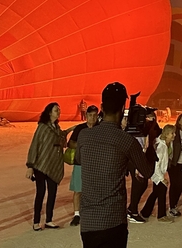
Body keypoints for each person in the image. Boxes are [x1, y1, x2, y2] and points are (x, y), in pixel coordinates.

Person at [75, 82, 153, 248]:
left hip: (89, 222)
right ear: (123, 107)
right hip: (113, 221)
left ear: (102, 106)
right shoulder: (126, 141)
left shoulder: (84, 136)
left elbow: (80, 160)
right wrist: (151, 141)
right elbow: (147, 171)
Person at [26, 102, 71, 231]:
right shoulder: (42, 127)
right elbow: (35, 146)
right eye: (56, 110)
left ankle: (49, 220)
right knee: (40, 193)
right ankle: (36, 221)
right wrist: (30, 165)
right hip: (41, 164)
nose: (59, 112)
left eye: (59, 110)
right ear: (49, 112)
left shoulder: (57, 128)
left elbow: (62, 144)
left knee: (53, 193)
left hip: (54, 164)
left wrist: (66, 133)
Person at [68, 104, 100, 226]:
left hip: (95, 164)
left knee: (95, 189)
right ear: (86, 116)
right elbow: (70, 143)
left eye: (94, 115)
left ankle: (93, 212)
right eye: (90, 115)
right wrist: (84, 144)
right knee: (78, 190)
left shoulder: (99, 128)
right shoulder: (80, 129)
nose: (92, 118)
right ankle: (77, 214)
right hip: (80, 163)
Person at [141, 123, 174, 223]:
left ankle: (145, 212)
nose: (174, 135)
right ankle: (161, 215)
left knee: (156, 192)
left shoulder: (168, 144)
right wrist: (161, 178)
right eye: (172, 133)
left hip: (160, 172)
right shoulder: (161, 147)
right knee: (162, 191)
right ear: (166, 134)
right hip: (157, 173)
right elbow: (156, 164)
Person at [167, 113, 182, 216]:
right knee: (174, 185)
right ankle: (172, 206)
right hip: (174, 163)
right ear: (178, 120)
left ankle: (175, 203)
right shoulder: (174, 132)